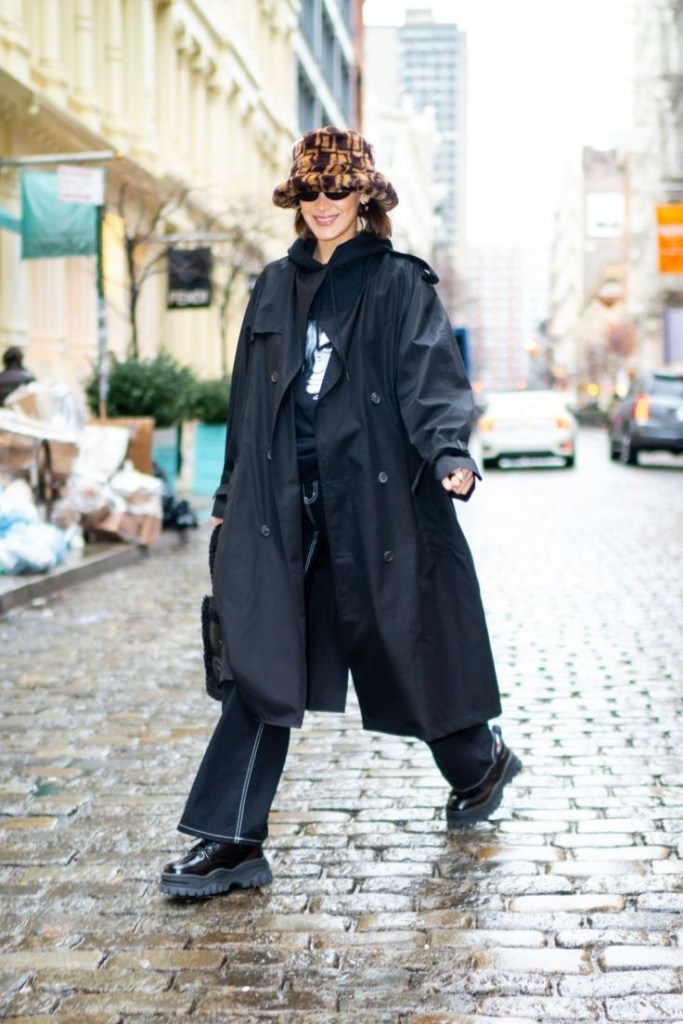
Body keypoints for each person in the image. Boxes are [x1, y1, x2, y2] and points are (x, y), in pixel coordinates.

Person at [160, 126, 522, 898]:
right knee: (260, 663)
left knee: (409, 648)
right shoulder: (270, 286)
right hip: (281, 511)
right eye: (310, 190)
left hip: (379, 505)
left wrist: (448, 453)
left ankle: (478, 763)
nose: (323, 203)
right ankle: (231, 841)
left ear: (364, 196)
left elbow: (430, 374)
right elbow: (247, 402)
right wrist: (226, 501)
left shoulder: (397, 282)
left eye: (337, 188)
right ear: (296, 200)